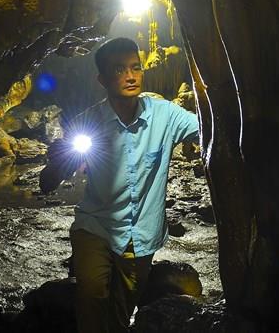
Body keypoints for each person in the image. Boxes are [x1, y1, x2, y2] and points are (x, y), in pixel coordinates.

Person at [40, 37, 200, 332]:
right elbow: (48, 182)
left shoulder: (165, 116)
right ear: (102, 79)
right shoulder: (89, 122)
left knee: (121, 311)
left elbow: (209, 126)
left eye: (135, 68)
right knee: (92, 294)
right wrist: (58, 164)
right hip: (96, 227)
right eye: (119, 70)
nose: (130, 76)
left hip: (141, 234)